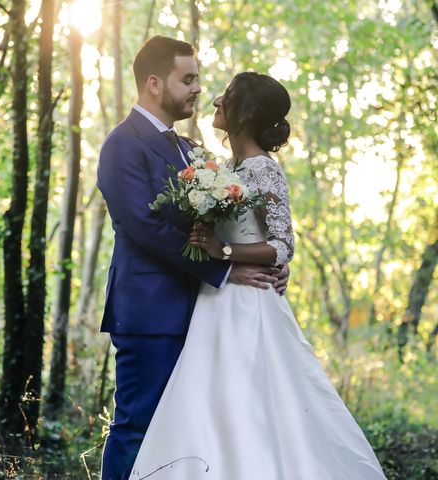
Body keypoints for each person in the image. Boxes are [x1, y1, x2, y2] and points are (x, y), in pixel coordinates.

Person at [128, 72, 387, 479]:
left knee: (250, 404)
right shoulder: (223, 169)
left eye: (226, 96)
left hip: (249, 304)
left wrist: (223, 252)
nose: (215, 100)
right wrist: (205, 239)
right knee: (208, 403)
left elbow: (283, 244)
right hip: (214, 302)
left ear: (244, 112)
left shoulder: (265, 170)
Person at [97, 38, 289, 480]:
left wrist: (272, 263)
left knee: (189, 433)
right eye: (188, 79)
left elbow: (239, 223)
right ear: (153, 84)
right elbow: (147, 229)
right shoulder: (122, 145)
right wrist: (226, 267)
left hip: (205, 314)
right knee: (138, 425)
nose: (199, 88)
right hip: (150, 312)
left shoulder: (188, 150)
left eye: (198, 78)